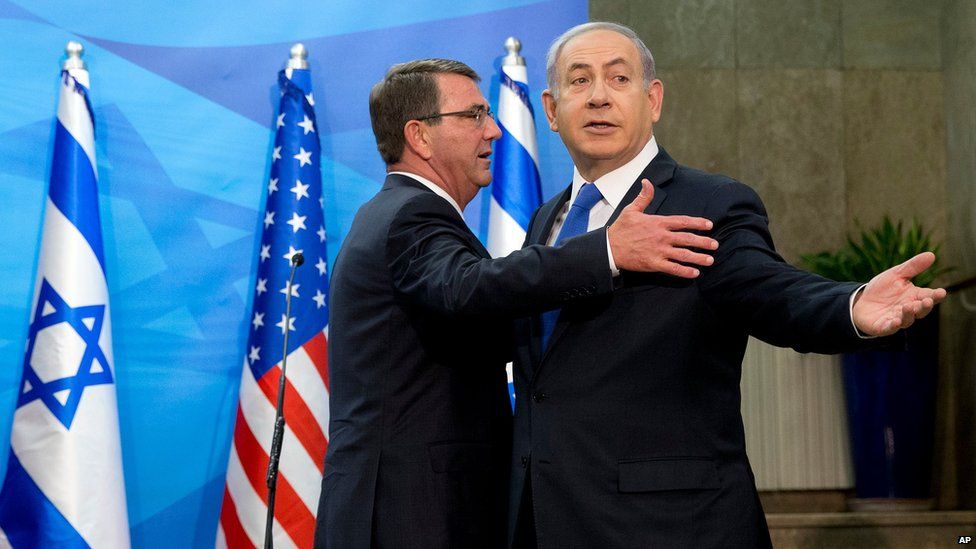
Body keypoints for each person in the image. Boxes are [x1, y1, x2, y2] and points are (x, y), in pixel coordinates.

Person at [508, 22, 947, 549]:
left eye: (618, 78)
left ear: (653, 100)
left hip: (669, 525)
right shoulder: (544, 220)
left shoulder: (709, 202)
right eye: (579, 82)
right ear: (552, 111)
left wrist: (850, 306)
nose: (599, 96)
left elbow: (769, 291)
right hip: (550, 520)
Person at [313, 58, 719, 549]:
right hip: (413, 514)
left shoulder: (394, 215)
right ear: (419, 136)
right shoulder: (410, 217)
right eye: (474, 115)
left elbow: (477, 327)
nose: (495, 130)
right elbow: (467, 288)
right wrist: (608, 249)